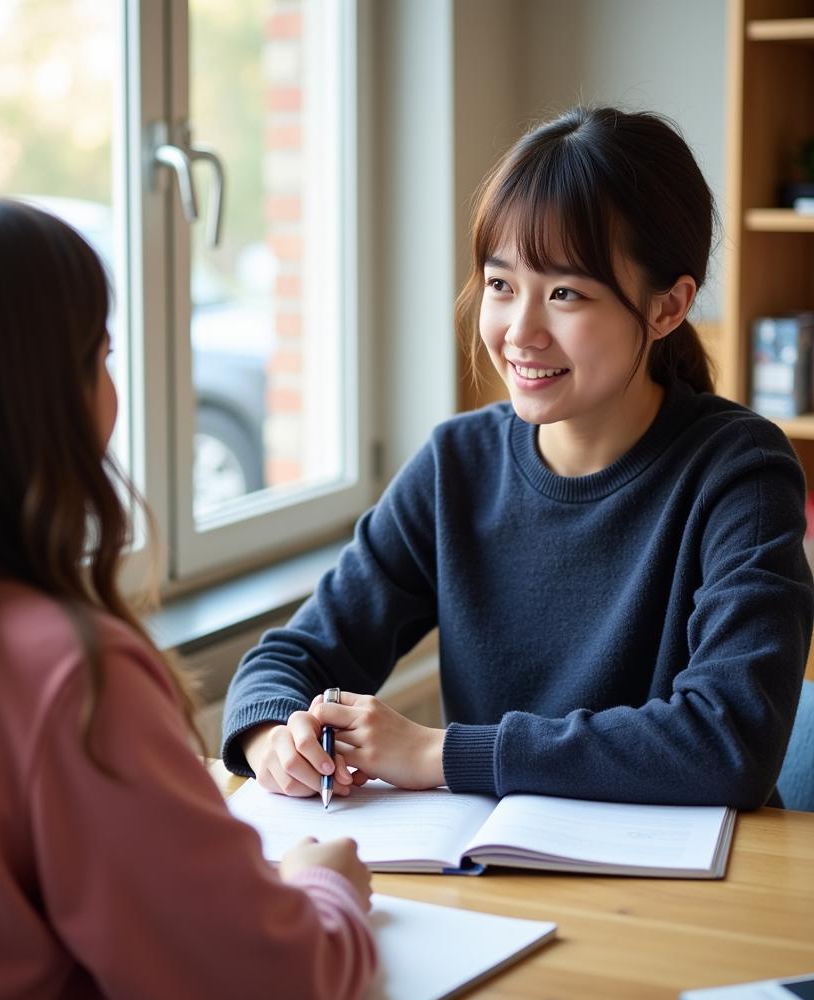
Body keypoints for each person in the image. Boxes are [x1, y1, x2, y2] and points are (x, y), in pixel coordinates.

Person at [0, 196, 376, 1000]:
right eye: (100, 355)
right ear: (42, 400)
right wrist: (326, 889)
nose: (112, 392)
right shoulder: (68, 675)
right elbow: (269, 992)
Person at [222, 105, 814, 810]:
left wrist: (438, 752)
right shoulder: (456, 466)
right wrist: (273, 737)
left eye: (566, 293)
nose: (520, 332)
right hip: (501, 879)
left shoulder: (739, 473)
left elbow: (729, 742)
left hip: (691, 894)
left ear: (667, 307)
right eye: (501, 286)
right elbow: (289, 659)